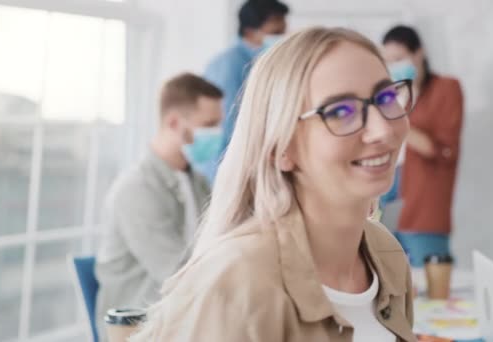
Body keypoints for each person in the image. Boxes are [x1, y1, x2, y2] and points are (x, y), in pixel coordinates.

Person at [132, 27, 416, 342]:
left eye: (387, 96)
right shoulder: (234, 283)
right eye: (341, 111)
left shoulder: (387, 252)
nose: (382, 131)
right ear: (281, 149)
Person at [95, 73, 223, 340]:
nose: (217, 135)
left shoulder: (196, 181)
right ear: (174, 122)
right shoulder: (136, 190)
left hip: (183, 317)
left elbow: (218, 243)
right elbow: (177, 275)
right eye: (209, 125)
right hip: (142, 329)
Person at [382, 25, 464, 267]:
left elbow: (442, 151)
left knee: (432, 283)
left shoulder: (445, 88)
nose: (395, 66)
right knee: (386, 279)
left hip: (423, 199)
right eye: (389, 61)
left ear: (419, 53)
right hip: (385, 193)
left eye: (400, 58)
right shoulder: (390, 92)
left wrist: (396, 116)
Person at [203, 0, 289, 182]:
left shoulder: (263, 63)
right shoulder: (230, 66)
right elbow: (224, 132)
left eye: (283, 31)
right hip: (226, 175)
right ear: (250, 33)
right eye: (275, 33)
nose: (283, 38)